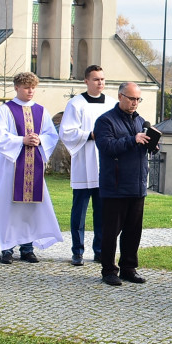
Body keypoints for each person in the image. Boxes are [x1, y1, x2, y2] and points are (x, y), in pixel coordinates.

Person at [0, 72, 63, 265]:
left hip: (33, 168)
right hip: (10, 170)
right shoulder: (5, 110)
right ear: (17, 88)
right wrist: (22, 140)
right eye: (26, 87)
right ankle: (6, 248)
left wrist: (39, 140)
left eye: (33, 87)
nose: (30, 91)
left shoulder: (41, 111)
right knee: (8, 207)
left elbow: (50, 135)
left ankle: (27, 248)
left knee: (30, 208)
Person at [95, 81, 159, 286]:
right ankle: (108, 270)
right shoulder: (105, 121)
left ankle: (128, 268)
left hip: (137, 184)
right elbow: (106, 146)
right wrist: (133, 139)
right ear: (120, 96)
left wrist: (153, 145)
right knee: (111, 231)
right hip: (115, 185)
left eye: (138, 99)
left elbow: (142, 145)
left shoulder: (141, 121)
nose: (135, 103)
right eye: (131, 98)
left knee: (133, 231)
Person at [59, 64, 117, 266]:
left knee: (102, 213)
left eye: (102, 79)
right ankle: (77, 251)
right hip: (84, 162)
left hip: (105, 164)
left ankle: (100, 250)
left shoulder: (112, 104)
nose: (100, 82)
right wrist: (90, 135)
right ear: (86, 81)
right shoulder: (76, 104)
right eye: (95, 79)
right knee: (80, 212)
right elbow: (66, 131)